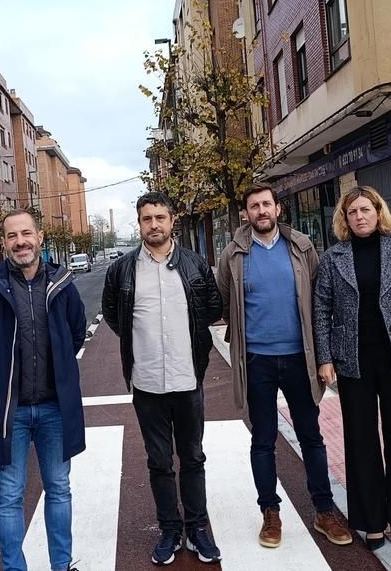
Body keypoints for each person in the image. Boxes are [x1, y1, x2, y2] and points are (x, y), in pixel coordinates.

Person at [215, 184, 353, 549]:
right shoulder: (232, 255)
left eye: (266, 204)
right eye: (253, 206)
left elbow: (319, 303)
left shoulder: (303, 247)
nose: (260, 211)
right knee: (262, 441)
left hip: (298, 358)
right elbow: (228, 303)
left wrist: (324, 357)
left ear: (278, 209)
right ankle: (270, 514)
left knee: (311, 437)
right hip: (257, 360)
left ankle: (324, 512)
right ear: (245, 213)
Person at [101, 191, 224, 565]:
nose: (153, 224)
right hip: (147, 382)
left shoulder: (194, 264)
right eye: (146, 219)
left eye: (160, 217)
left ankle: (197, 528)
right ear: (138, 224)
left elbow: (213, 307)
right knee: (158, 460)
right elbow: (113, 315)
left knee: (192, 456)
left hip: (188, 380)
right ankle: (170, 529)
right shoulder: (122, 269)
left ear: (172, 221)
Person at [0, 209, 87, 571]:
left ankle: (61, 566)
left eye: (26, 234)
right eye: (13, 236)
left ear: (40, 236)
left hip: (54, 408)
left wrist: (60, 368)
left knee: (59, 489)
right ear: (4, 243)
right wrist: (0, 375)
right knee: (10, 496)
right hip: (9, 413)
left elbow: (77, 331)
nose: (21, 242)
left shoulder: (61, 284)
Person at [313, 186, 391, 550]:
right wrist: (325, 357)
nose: (360, 216)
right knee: (361, 439)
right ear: (344, 219)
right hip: (353, 361)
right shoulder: (333, 258)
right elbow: (321, 309)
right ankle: (372, 519)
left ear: (379, 212)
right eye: (352, 212)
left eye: (366, 209)